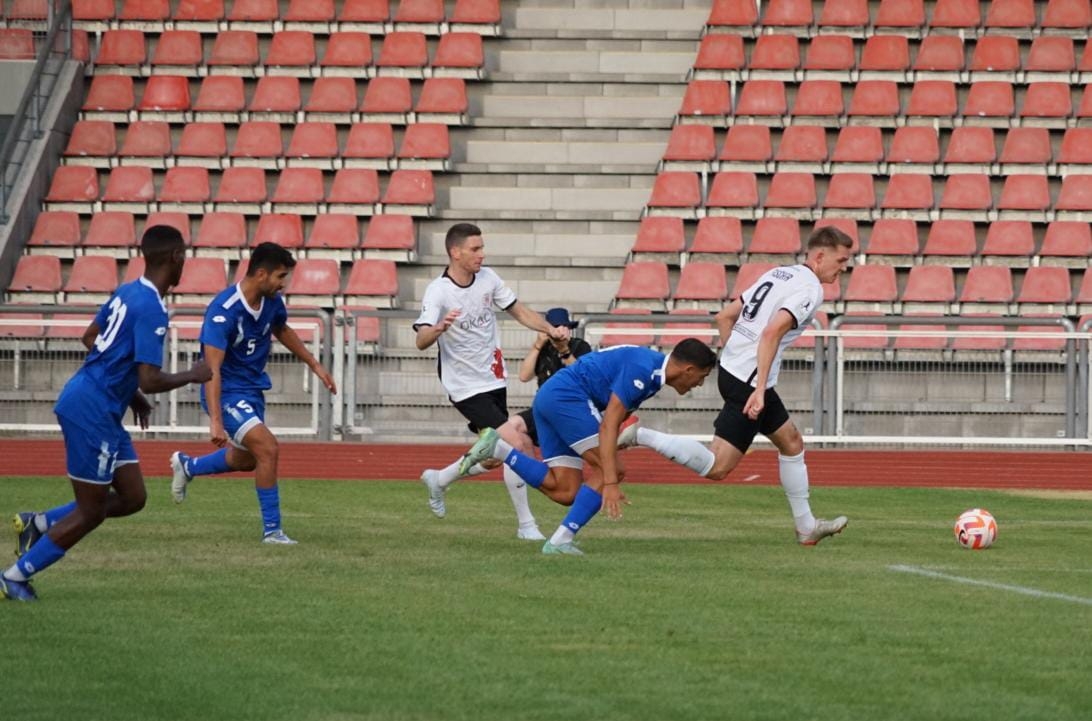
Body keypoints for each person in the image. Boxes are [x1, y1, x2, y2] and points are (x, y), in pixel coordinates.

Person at [2, 226, 212, 602]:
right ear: (177, 257)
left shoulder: (129, 291)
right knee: (91, 511)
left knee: (133, 496)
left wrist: (130, 394)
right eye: (185, 257)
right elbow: (150, 379)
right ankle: (13, 577)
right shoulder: (152, 308)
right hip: (92, 410)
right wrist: (192, 375)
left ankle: (39, 522)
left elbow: (90, 337)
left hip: (100, 404)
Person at [618, 226, 854, 546]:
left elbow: (724, 317)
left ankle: (806, 526)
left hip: (737, 371)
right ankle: (639, 435)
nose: (844, 268)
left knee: (792, 443)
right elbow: (771, 334)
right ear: (820, 256)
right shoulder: (811, 289)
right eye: (841, 260)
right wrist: (757, 389)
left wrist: (738, 361)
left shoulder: (780, 273)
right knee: (717, 467)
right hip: (750, 382)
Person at [457, 338, 718, 555]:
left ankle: (500, 450)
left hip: (553, 396)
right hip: (567, 398)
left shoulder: (650, 369)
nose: (699, 384)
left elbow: (614, 419)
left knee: (566, 491)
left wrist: (611, 449)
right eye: (702, 377)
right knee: (612, 470)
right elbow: (608, 425)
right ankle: (560, 541)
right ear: (689, 370)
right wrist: (611, 482)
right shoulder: (643, 369)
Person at [168, 242, 337, 545]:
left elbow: (281, 329)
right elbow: (212, 369)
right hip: (226, 392)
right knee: (268, 448)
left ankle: (188, 466)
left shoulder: (270, 301)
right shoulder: (223, 311)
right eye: (280, 277)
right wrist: (216, 421)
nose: (283, 284)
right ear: (261, 274)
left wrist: (315, 365)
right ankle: (273, 531)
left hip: (252, 389)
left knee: (247, 460)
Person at [413, 223, 571, 540]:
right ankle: (527, 526)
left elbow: (520, 311)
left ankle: (439, 480)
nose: (482, 255)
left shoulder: (488, 278)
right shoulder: (439, 291)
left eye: (482, 248)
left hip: (493, 379)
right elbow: (421, 340)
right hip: (464, 387)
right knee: (518, 444)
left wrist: (550, 329)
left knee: (495, 455)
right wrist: (438, 328)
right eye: (475, 249)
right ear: (455, 252)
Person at [418, 307, 593, 516]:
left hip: (570, 410)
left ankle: (441, 478)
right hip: (544, 408)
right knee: (507, 437)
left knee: (506, 453)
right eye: (555, 327)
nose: (560, 331)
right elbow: (524, 375)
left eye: (565, 327)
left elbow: (582, 378)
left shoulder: (579, 346)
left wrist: (564, 350)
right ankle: (525, 522)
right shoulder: (544, 348)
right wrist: (538, 345)